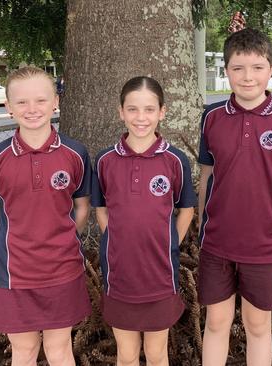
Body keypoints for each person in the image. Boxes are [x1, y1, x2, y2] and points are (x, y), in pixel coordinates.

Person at [197, 27, 272, 366]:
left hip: (263, 247)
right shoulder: (211, 117)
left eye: (257, 67)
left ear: (271, 70)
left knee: (257, 324)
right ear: (226, 70)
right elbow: (207, 177)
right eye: (238, 68)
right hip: (217, 245)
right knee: (216, 323)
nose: (248, 77)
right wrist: (204, 230)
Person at [0, 66, 92, 366]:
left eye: (40, 100)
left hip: (63, 269)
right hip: (16, 273)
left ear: (56, 101)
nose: (32, 109)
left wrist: (60, 238)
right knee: (24, 351)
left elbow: (81, 208)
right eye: (22, 102)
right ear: (8, 107)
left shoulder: (75, 153)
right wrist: (19, 242)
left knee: (59, 349)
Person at [92, 76, 196, 366]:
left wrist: (169, 243)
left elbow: (186, 209)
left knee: (156, 353)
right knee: (126, 355)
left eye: (149, 109)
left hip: (159, 274)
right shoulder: (104, 161)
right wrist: (116, 239)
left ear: (162, 112)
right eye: (133, 109)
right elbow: (101, 209)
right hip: (121, 275)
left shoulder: (175, 161)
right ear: (121, 112)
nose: (141, 118)